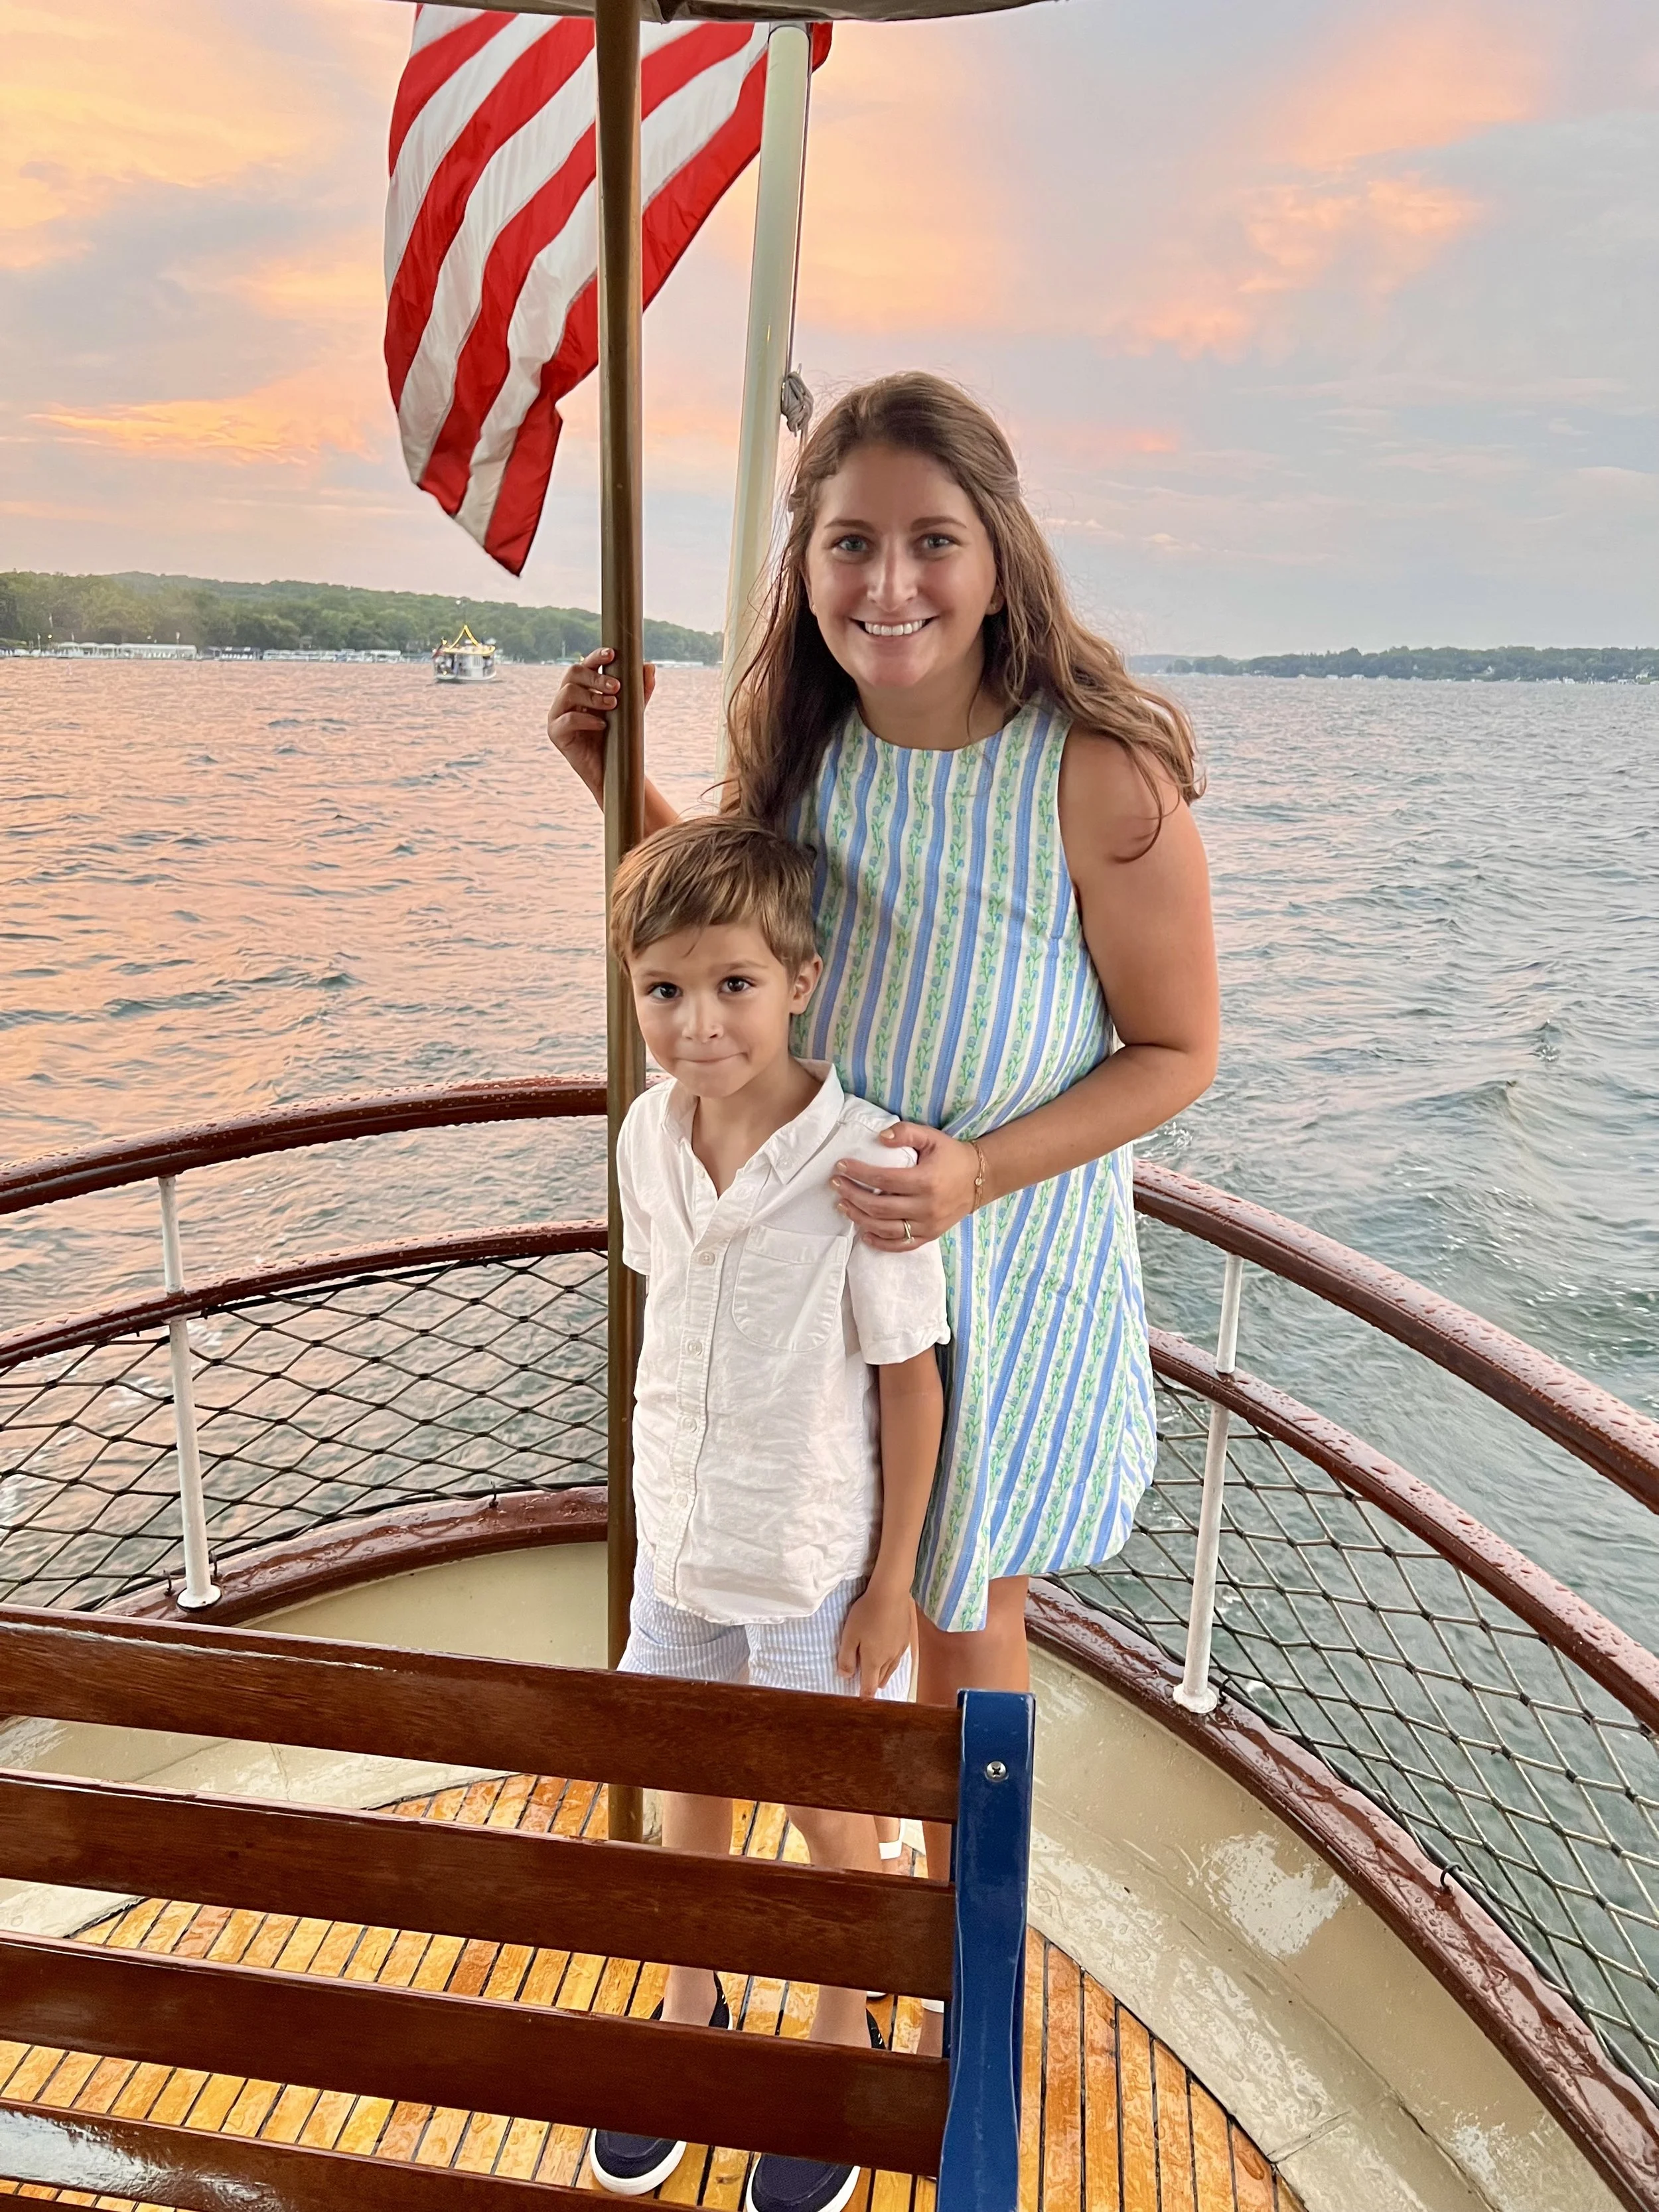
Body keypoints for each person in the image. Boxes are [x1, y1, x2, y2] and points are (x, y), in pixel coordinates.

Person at [548, 368, 1218, 1943]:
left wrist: (975, 1171)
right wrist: (612, 784)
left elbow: (1176, 1053)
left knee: (960, 1630)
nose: (891, 583)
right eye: (849, 543)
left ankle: (959, 1949)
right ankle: (812, 1942)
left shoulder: (1093, 771)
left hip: (1000, 1278)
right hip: (808, 1275)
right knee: (819, 1600)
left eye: (931, 538)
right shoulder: (805, 746)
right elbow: (732, 939)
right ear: (807, 563)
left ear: (997, 554)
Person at [589, 814, 949, 2212]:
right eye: (663, 990)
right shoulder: (643, 1136)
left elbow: (910, 1389)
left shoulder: (862, 1166)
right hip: (678, 1530)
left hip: (811, 1553)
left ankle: (835, 2022)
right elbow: (662, 1320)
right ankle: (692, 1997)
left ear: (799, 978)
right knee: (679, 1766)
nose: (695, 1023)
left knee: (825, 1802)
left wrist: (890, 1584)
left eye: (732, 983)